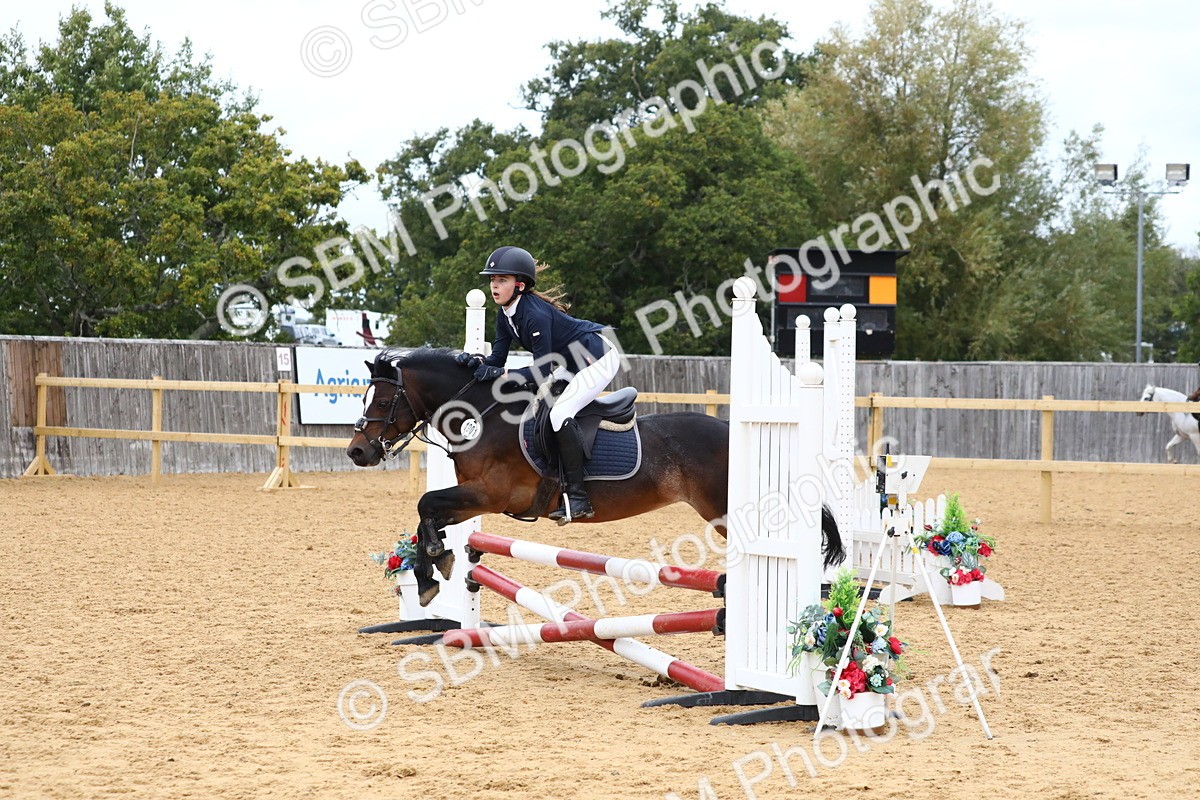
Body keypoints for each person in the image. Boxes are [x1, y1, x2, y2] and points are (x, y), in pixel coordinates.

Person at [455, 246, 621, 524]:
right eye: (492, 280)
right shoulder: (504, 314)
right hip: (570, 364)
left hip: (597, 358)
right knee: (540, 410)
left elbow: (542, 372)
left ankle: (579, 497)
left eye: (502, 281)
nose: (494, 286)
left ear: (519, 285)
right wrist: (474, 362)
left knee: (559, 414)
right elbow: (497, 358)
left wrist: (499, 374)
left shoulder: (534, 314)